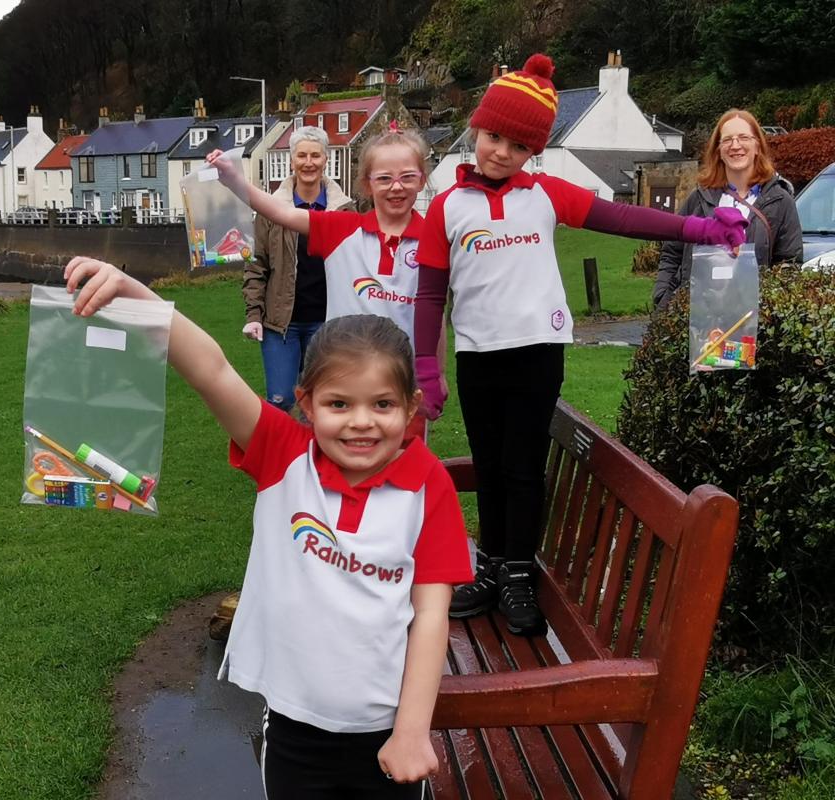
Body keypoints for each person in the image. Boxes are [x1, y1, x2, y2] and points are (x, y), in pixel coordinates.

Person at [65, 255, 473, 797]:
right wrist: (135, 292)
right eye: (338, 403)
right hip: (292, 725)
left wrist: (413, 731)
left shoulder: (430, 486)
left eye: (382, 404)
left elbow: (430, 615)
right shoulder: (283, 453)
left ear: (411, 407)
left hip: (382, 728)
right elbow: (211, 369)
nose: (361, 421)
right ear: (305, 404)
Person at [414, 55, 748, 637]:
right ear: (477, 127)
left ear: (533, 153)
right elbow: (430, 295)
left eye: (518, 146)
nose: (500, 152)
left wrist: (702, 229)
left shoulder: (547, 195)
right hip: (477, 358)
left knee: (523, 469)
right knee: (490, 469)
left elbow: (626, 218)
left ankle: (519, 573)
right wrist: (426, 367)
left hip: (537, 354)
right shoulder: (447, 205)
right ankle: (491, 569)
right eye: (493, 136)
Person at [212, 123, 442, 430]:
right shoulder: (342, 229)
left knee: (404, 470)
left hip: (402, 381)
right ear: (367, 183)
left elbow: (434, 314)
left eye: (407, 177)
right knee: (339, 464)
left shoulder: (435, 239)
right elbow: (281, 213)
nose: (396, 187)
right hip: (344, 380)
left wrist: (437, 374)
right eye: (384, 178)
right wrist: (234, 181)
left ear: (422, 180)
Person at [242, 126, 354, 411]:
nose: (308, 162)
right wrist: (254, 315)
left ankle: (318, 456)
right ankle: (279, 457)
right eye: (301, 155)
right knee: (281, 401)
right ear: (291, 161)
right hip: (281, 325)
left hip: (327, 322)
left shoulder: (344, 210)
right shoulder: (270, 210)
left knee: (323, 402)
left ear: (326, 160)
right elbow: (257, 265)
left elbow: (356, 266)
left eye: (315, 155)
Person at [654, 108, 804, 309]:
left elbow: (789, 263)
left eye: (743, 137)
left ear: (757, 146)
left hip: (751, 319)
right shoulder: (698, 198)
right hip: (697, 316)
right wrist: (662, 298)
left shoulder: (780, 201)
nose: (735, 145)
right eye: (727, 140)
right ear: (718, 150)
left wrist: (770, 311)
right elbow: (671, 253)